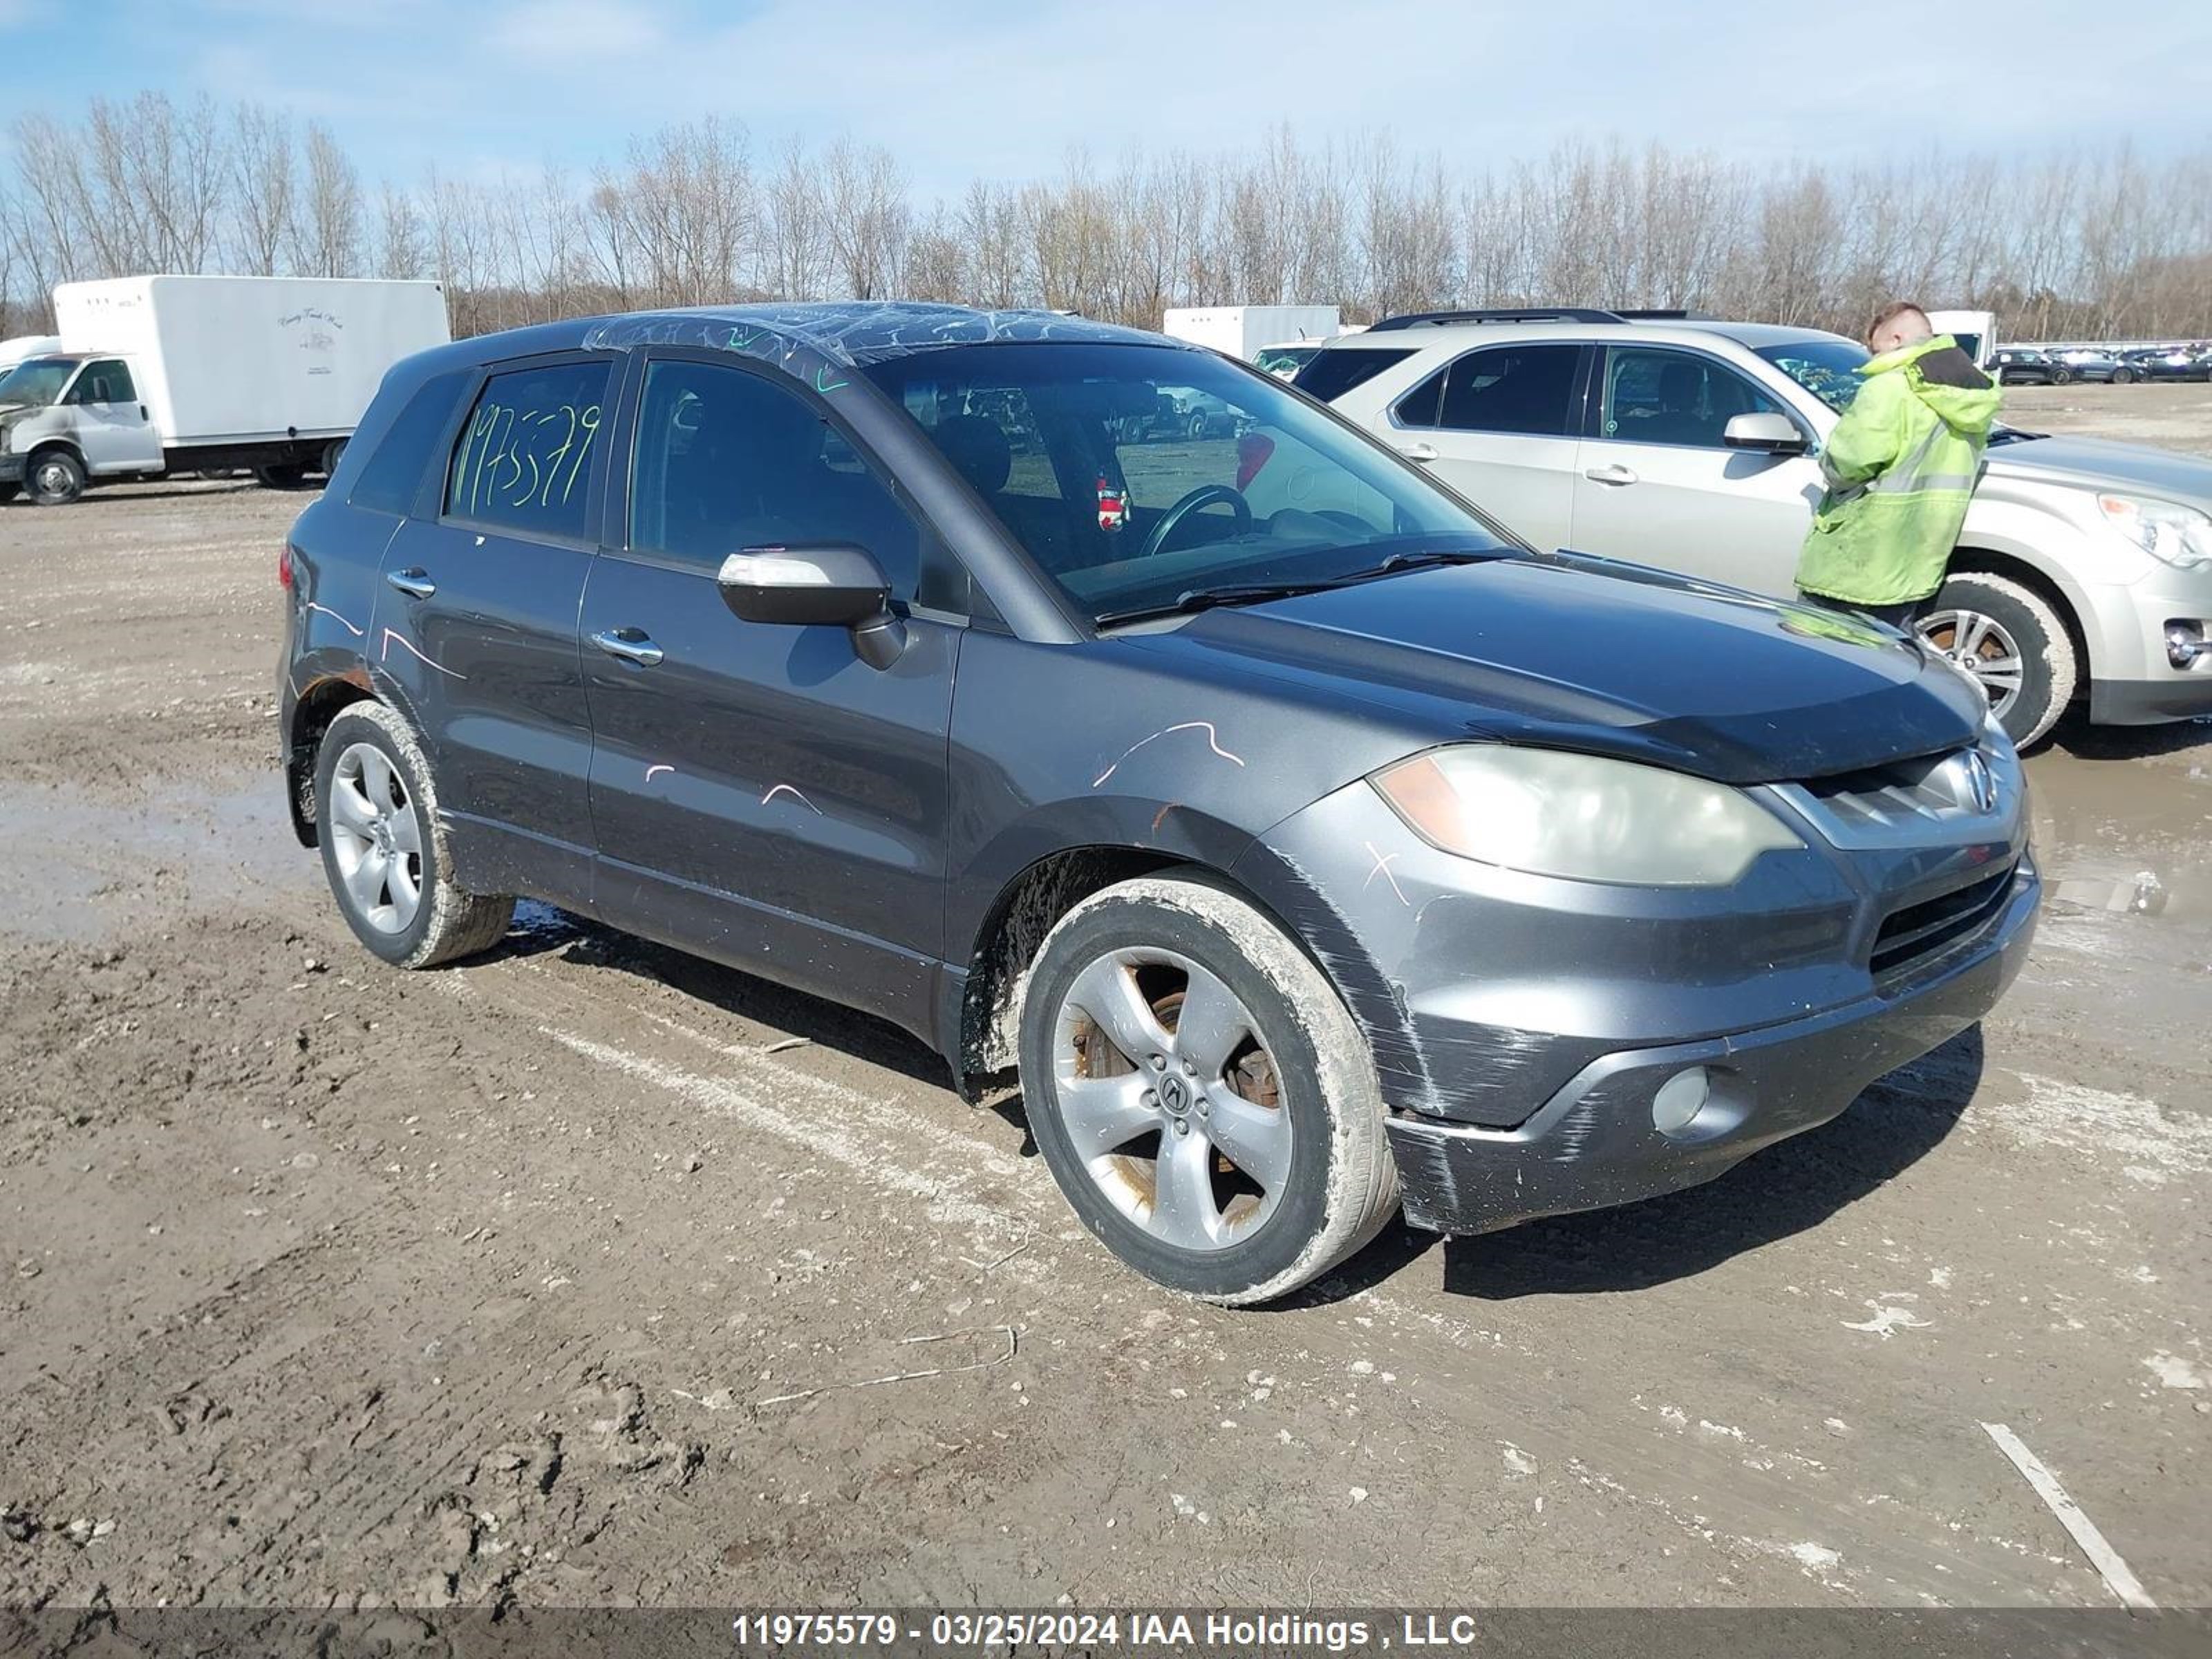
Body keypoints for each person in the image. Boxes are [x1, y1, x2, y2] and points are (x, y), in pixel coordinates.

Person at [1795, 301, 2002, 630]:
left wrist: (1829, 466)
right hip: (1919, 555)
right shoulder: (1970, 390)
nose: (1875, 360)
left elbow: (1849, 463)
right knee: (1892, 658)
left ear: (1895, 339)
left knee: (1822, 657)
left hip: (1862, 556)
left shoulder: (1888, 387)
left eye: (1876, 351)